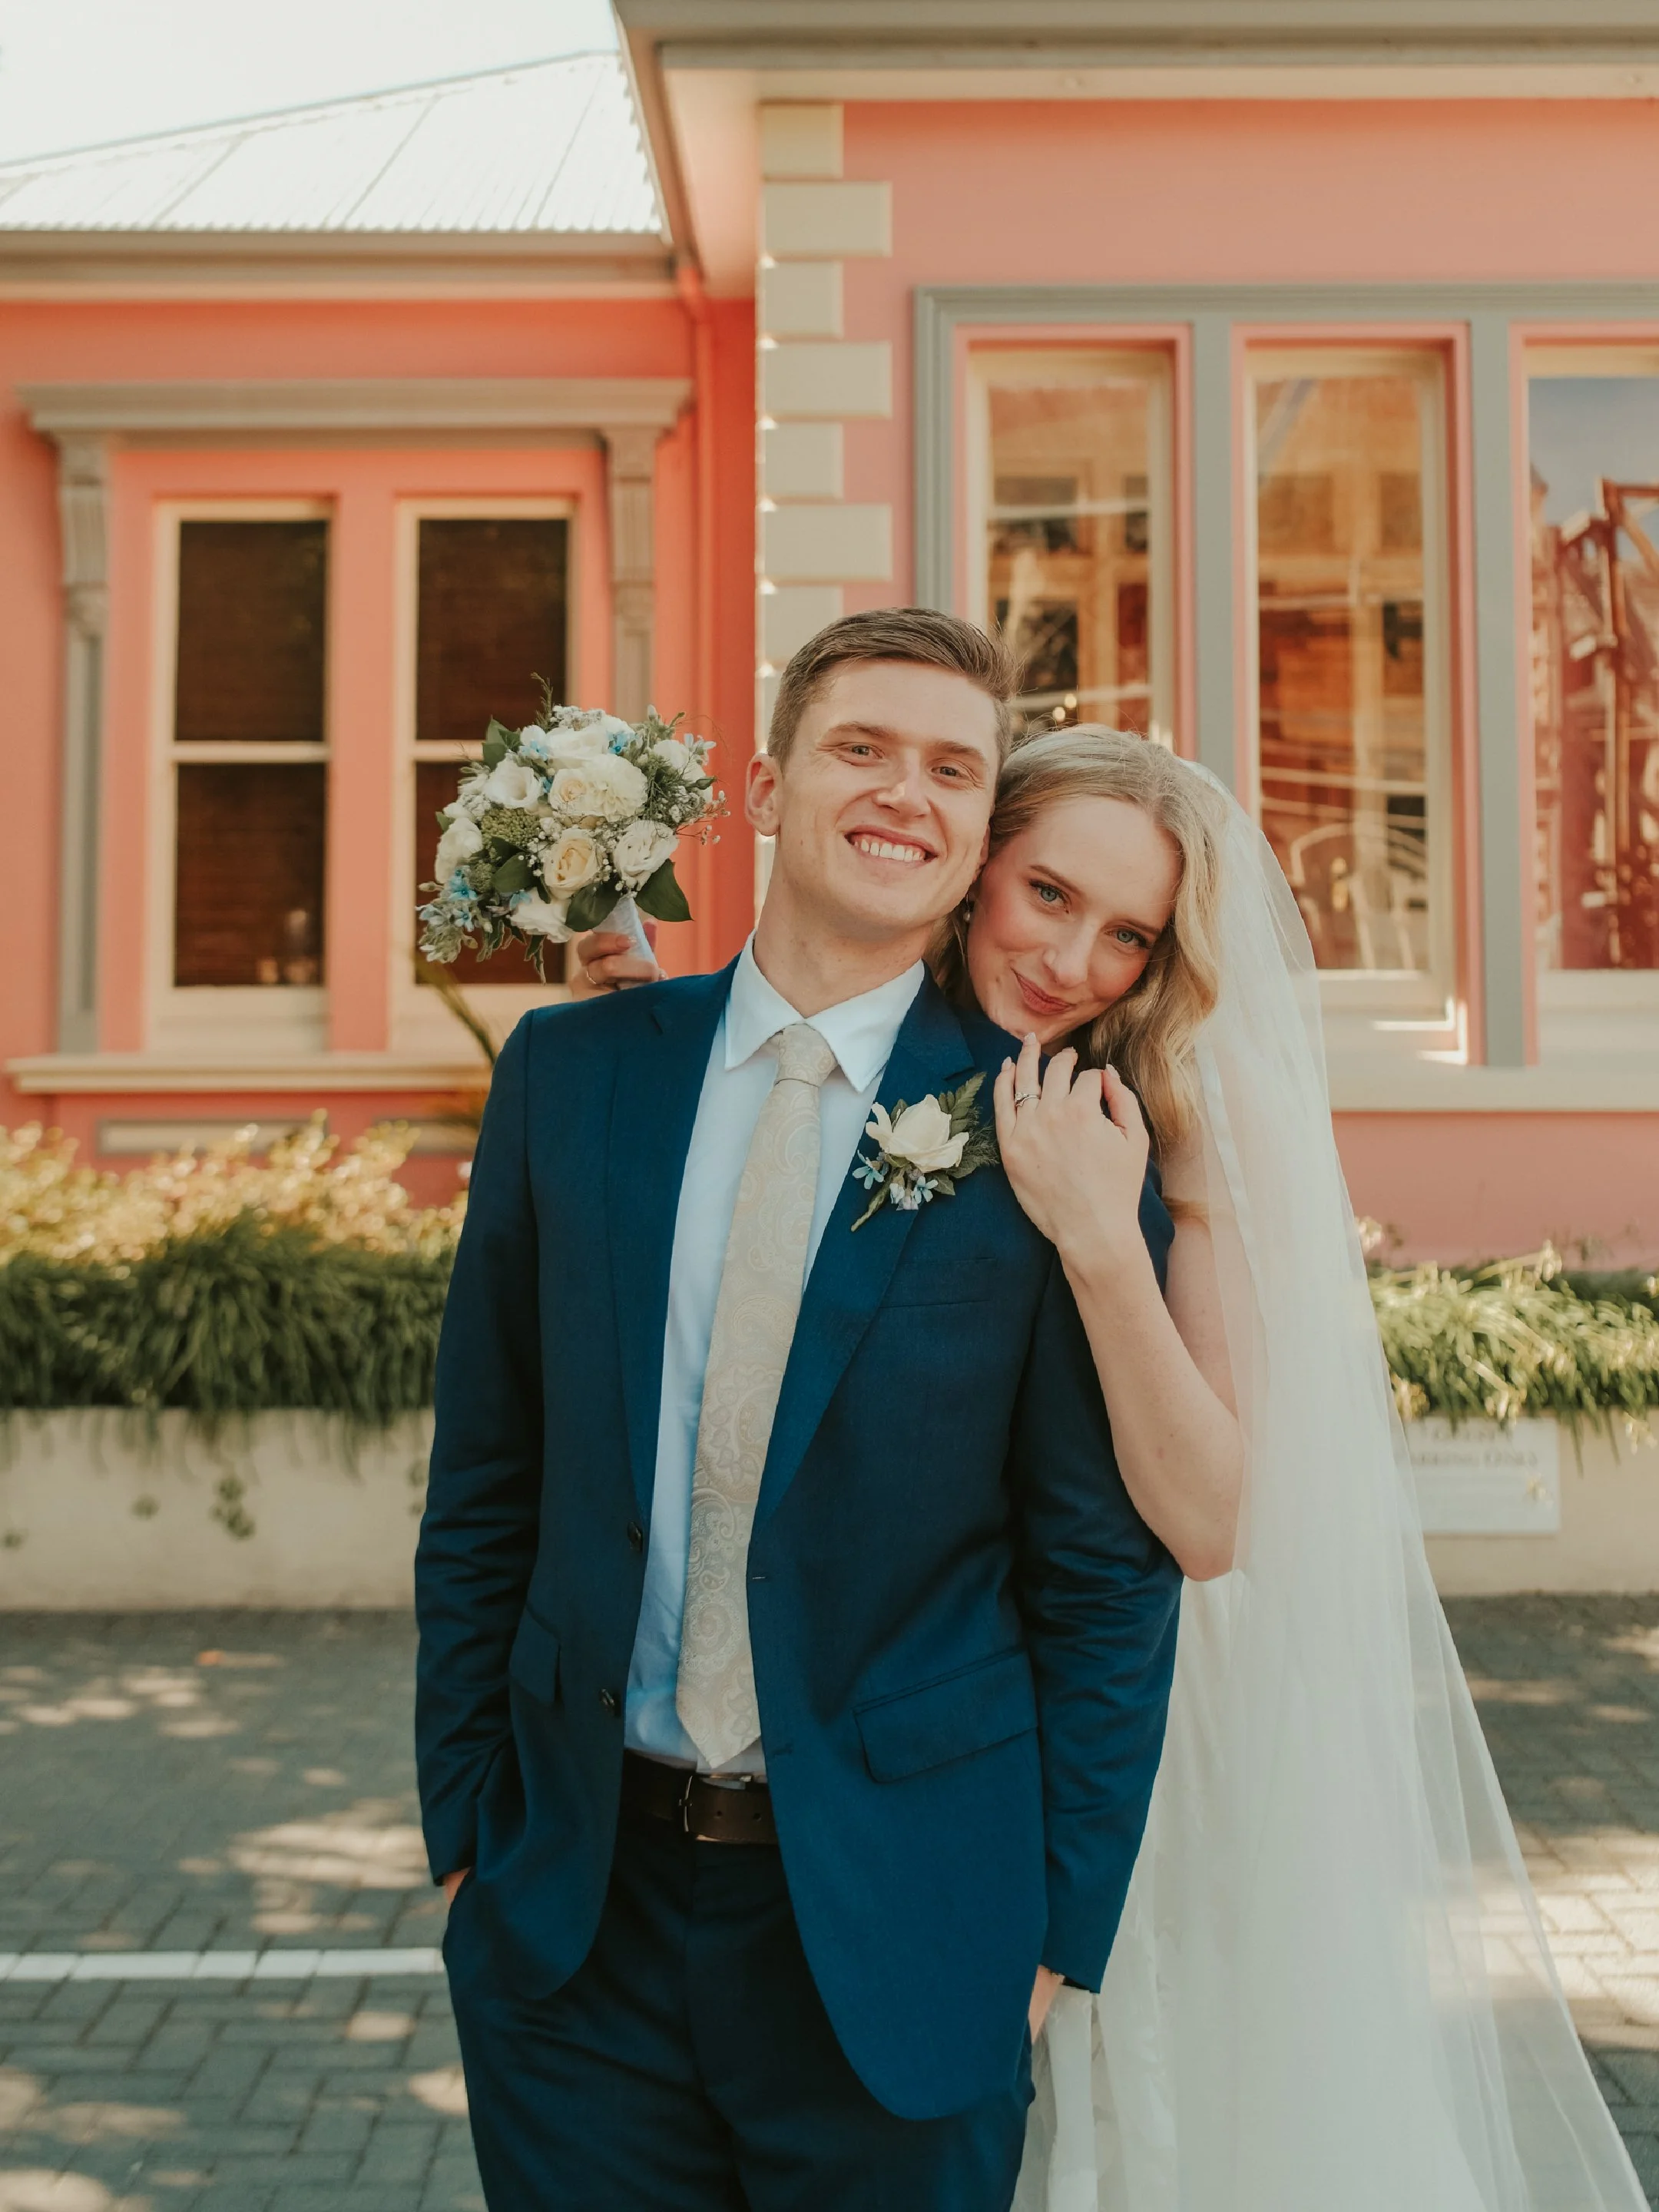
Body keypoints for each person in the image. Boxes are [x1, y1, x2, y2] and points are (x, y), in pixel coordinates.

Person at [580, 718, 1651, 2212]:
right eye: (1049, 897)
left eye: (1128, 935)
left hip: (1115, 1711)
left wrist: (1100, 1230)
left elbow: (1211, 1518)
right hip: (879, 1735)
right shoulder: (866, 1071)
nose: (1075, 962)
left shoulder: (1172, 1130)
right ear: (975, 877)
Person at [413, 610, 1183, 2212]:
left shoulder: (1053, 1141)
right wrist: (466, 1853)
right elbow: (488, 1476)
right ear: (766, 784)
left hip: (904, 1942)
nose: (905, 793)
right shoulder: (572, 1073)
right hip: (573, 1928)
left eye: (953, 771)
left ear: (977, 839)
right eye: (862, 748)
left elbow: (1105, 1573)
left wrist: (1052, 1941)